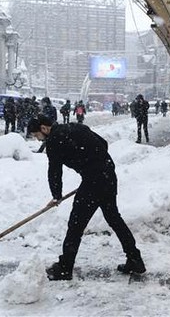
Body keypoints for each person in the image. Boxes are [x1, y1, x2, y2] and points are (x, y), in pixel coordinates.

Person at [27, 115, 145, 281]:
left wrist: (56, 196)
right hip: (108, 175)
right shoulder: (76, 127)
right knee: (114, 219)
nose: (37, 139)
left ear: (44, 129)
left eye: (36, 135)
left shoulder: (54, 141)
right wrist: (93, 164)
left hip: (93, 181)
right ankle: (135, 260)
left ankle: (64, 268)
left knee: (76, 224)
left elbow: (54, 171)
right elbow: (103, 144)